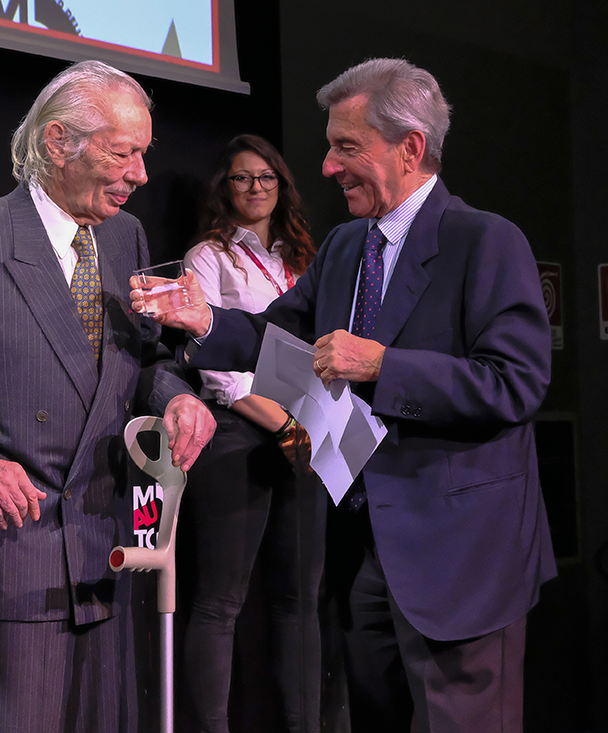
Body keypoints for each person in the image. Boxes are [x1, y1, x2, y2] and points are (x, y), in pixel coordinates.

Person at [134, 58, 555, 732]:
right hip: (365, 559)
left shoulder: (486, 241)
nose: (327, 166)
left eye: (346, 146)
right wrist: (205, 320)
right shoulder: (342, 247)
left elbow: (517, 383)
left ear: (411, 147)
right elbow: (278, 337)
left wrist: (384, 366)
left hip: (464, 565)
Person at [0, 59, 216, 733]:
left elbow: (141, 359)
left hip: (106, 547)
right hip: (17, 554)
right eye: (124, 153)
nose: (140, 175)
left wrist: (176, 396)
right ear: (58, 144)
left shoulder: (125, 236)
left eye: (144, 154)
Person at [180, 134, 323, 733]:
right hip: (242, 434)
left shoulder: (303, 260)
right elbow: (216, 365)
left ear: (282, 184)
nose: (256, 187)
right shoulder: (207, 258)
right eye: (242, 178)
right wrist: (281, 421)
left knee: (300, 601)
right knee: (219, 603)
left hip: (309, 434)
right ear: (225, 188)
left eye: (267, 177)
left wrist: (307, 425)